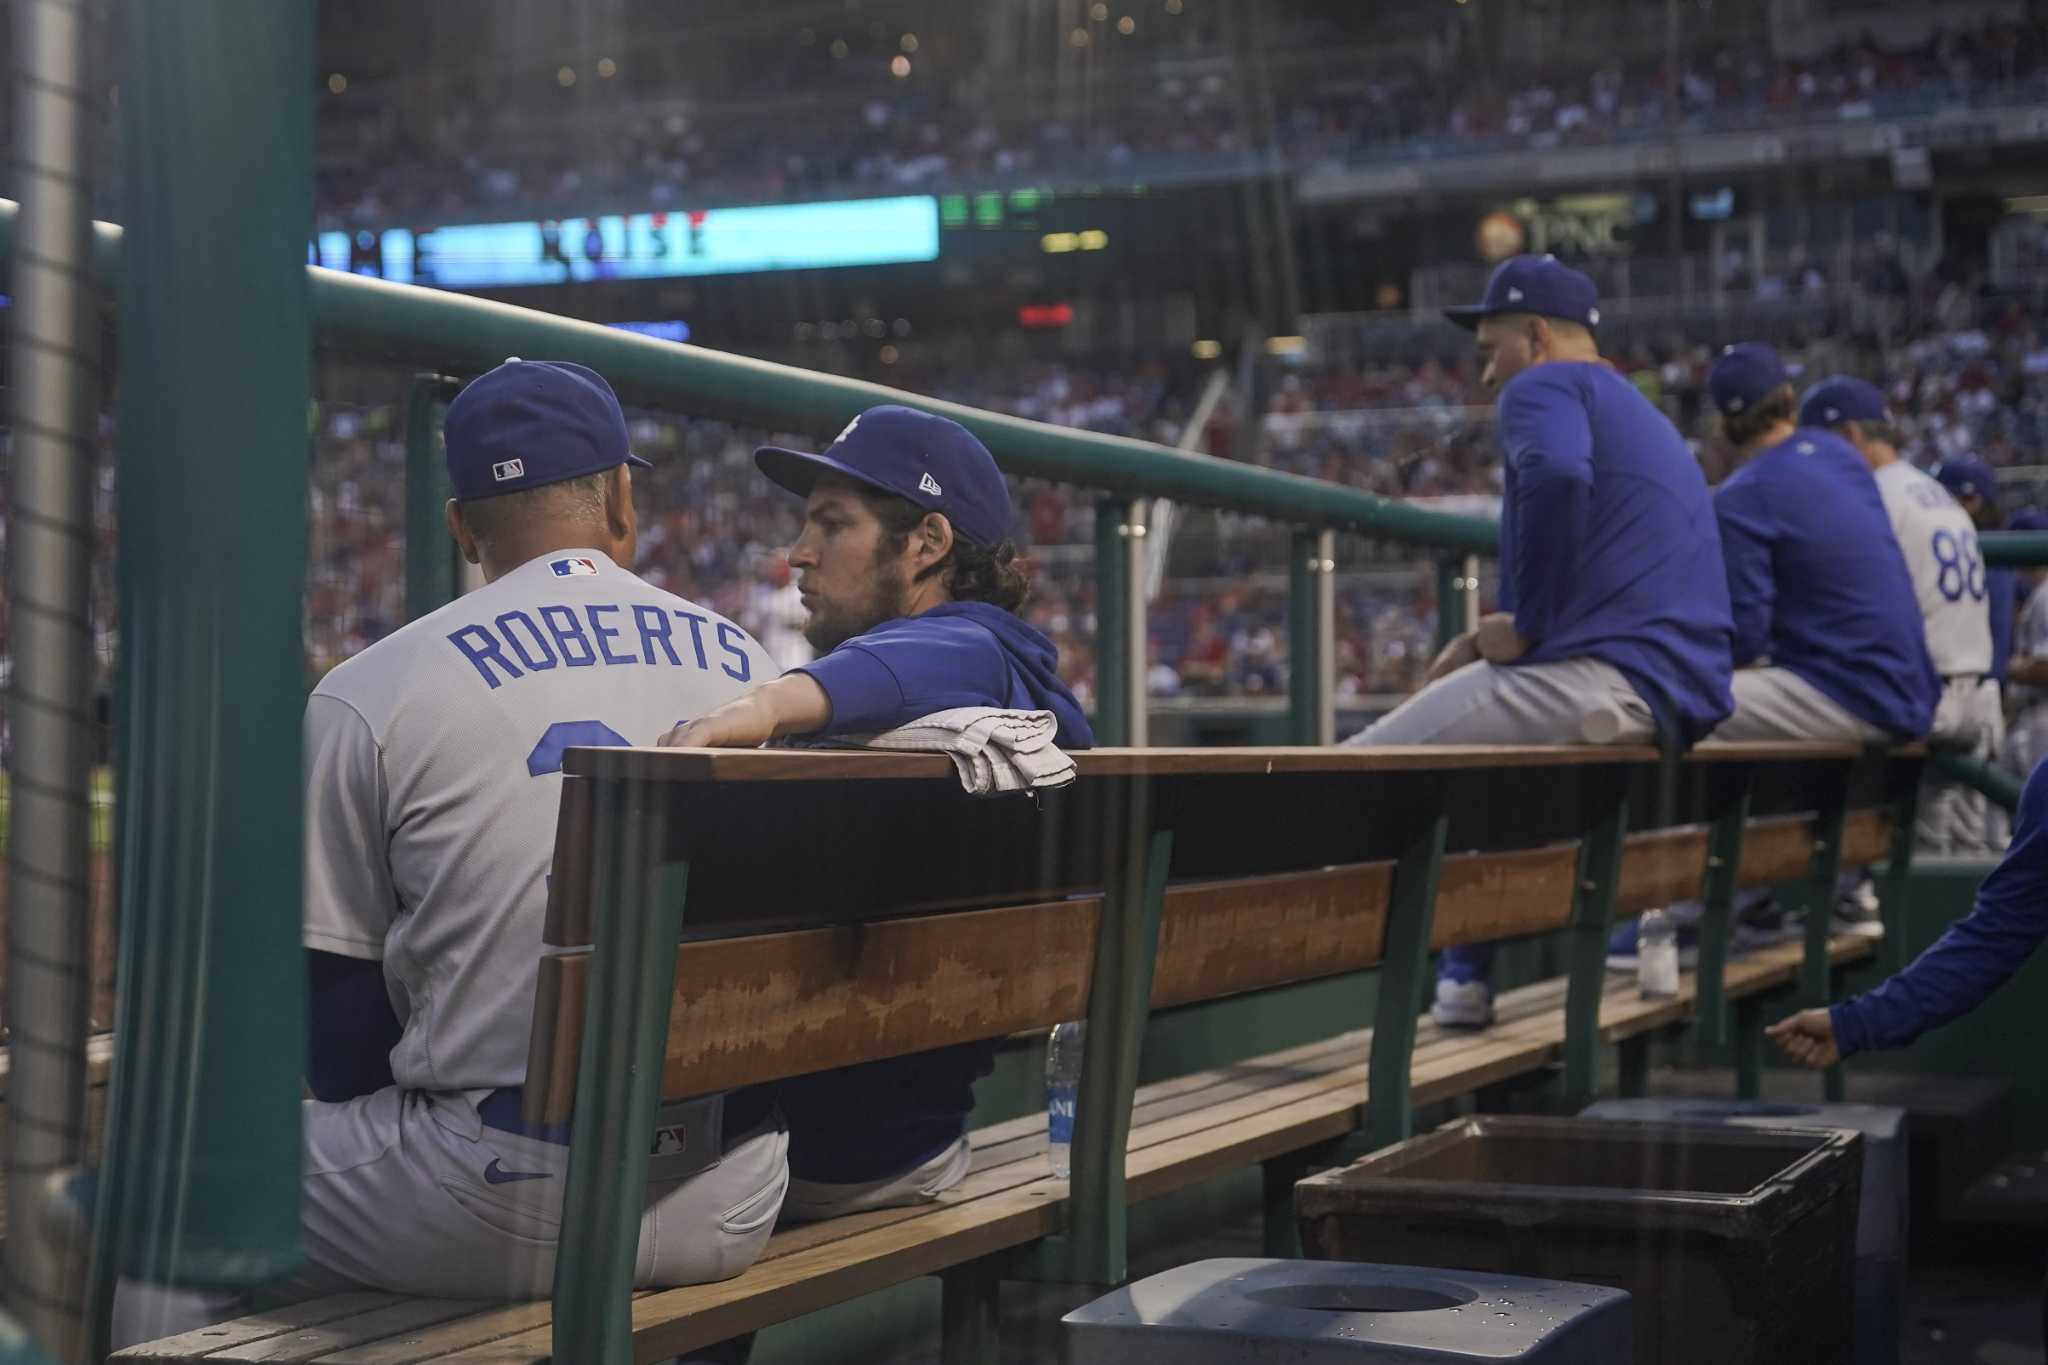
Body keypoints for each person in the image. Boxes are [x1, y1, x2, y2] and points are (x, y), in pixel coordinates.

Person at [115, 360, 791, 1345]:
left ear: (460, 527)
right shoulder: (747, 661)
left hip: (508, 1194)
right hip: (733, 1188)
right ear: (620, 499)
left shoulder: (373, 685)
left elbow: (339, 1048)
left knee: (165, 1183)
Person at [660, 405, 1093, 1220]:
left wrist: (764, 707)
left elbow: (929, 655)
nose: (798, 553)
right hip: (900, 1133)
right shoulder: (1010, 681)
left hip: (838, 1151)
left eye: (833, 524)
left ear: (927, 543)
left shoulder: (976, 651)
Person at [1345, 256, 1736, 1029]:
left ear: (1534, 336)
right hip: (1664, 689)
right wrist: (1497, 635)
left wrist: (1525, 628)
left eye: (1492, 350)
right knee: (1487, 785)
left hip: (1608, 676)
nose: (1488, 374)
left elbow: (1556, 474)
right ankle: (1464, 977)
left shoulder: (1543, 385)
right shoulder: (1641, 411)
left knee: (1336, 774)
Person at [1801, 380, 1998, 854]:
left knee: (1906, 860)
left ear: (1849, 435)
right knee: (1963, 855)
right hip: (1975, 695)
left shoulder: (1872, 497)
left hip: (1920, 698)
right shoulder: (1935, 492)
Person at [1704, 359, 1937, 748]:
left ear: (1723, 427)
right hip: (1916, 687)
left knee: (1675, 700)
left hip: (1852, 690)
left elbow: (1743, 639)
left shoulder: (1741, 494)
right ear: (1790, 403)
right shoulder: (1841, 455)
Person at [2001, 509, 2048, 788]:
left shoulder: (2045, 595)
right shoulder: (2037, 593)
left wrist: (2011, 667)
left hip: (2042, 716)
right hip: (2030, 715)